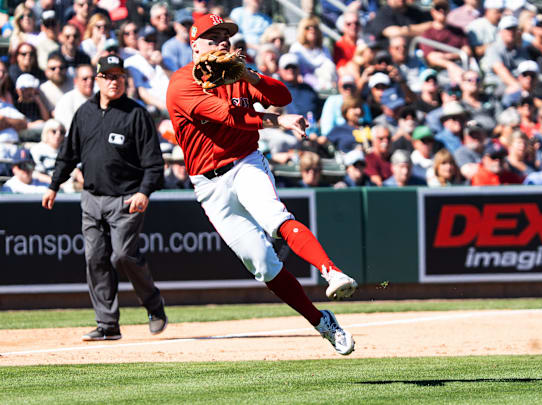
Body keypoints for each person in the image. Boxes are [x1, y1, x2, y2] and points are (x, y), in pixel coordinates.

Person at [165, 14, 357, 355]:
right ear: (195, 44)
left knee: (274, 216)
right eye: (213, 36)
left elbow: (281, 94)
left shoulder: (239, 72)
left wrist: (251, 75)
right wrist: (277, 121)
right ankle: (321, 320)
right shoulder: (182, 84)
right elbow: (228, 116)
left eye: (226, 34)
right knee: (262, 264)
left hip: (245, 163)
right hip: (208, 185)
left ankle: (332, 272)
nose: (223, 41)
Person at [42, 56, 168, 341]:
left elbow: (154, 162)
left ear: (124, 79)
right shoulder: (84, 113)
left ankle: (153, 304)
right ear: (97, 81)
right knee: (95, 258)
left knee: (123, 255)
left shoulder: (136, 114)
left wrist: (144, 192)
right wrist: (53, 185)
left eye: (119, 76)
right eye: (108, 76)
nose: (114, 81)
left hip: (126, 199)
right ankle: (107, 325)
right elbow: (68, 153)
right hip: (92, 198)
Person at [53, 64, 95, 130]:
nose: (90, 81)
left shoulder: (100, 99)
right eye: (85, 79)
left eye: (92, 78)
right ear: (76, 81)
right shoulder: (66, 101)